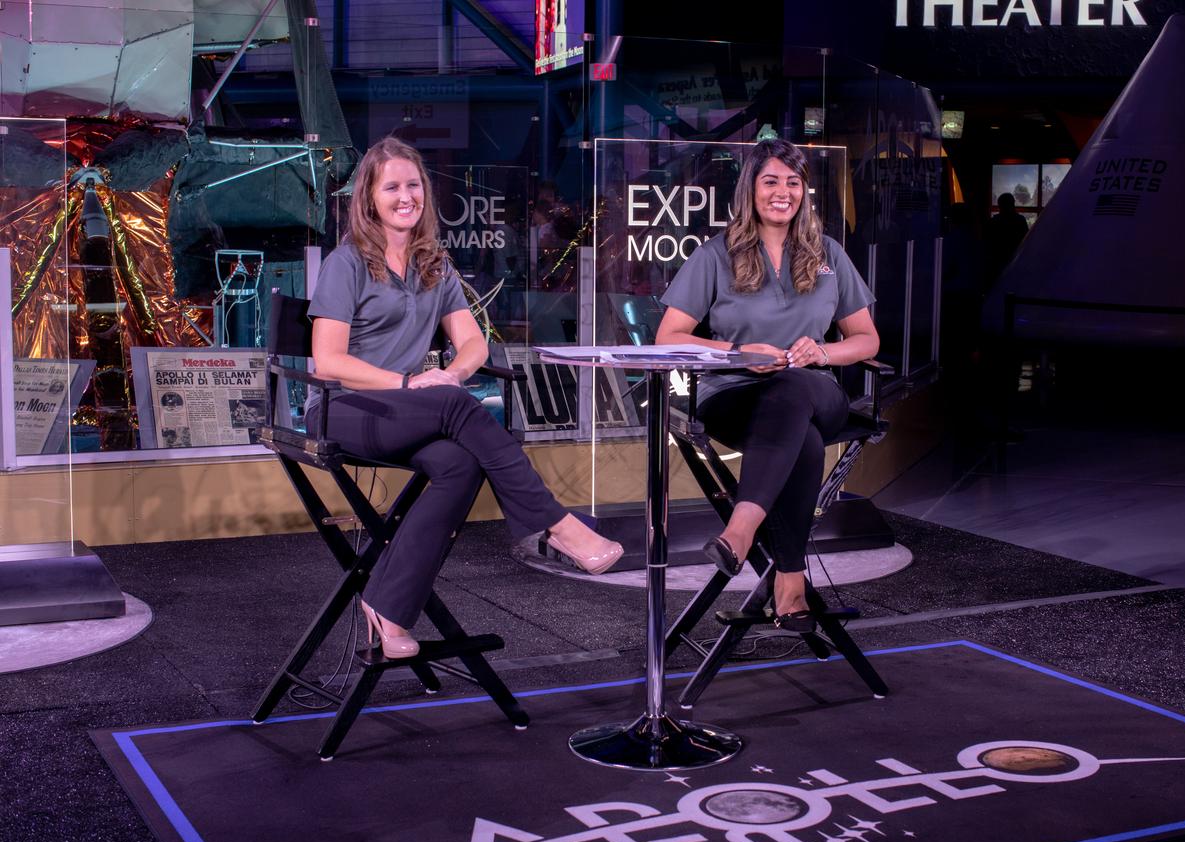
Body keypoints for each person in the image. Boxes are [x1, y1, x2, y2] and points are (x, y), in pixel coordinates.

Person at [308, 136, 623, 658]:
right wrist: (411, 384)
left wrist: (450, 374)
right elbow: (327, 362)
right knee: (456, 407)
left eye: (414, 185)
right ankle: (557, 525)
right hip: (341, 407)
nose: (405, 196)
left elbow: (474, 343)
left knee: (460, 463)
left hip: (405, 411)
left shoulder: (433, 264)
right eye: (392, 187)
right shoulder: (348, 263)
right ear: (369, 198)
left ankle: (387, 607)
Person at [655, 138, 879, 633]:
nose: (783, 192)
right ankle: (790, 585)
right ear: (750, 189)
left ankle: (740, 530)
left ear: (805, 191)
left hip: (815, 390)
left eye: (793, 182)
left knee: (793, 387)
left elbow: (866, 339)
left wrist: (822, 352)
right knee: (804, 440)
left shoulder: (828, 254)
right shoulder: (716, 255)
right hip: (734, 396)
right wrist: (738, 353)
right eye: (771, 181)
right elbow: (668, 337)